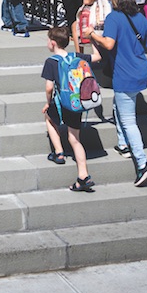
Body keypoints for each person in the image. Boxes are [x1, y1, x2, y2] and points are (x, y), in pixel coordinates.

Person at [88, 0, 147, 187]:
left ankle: (142, 163)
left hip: (125, 74)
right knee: (120, 106)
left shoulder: (114, 18)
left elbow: (109, 44)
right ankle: (122, 144)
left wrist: (92, 34)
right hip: (140, 72)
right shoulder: (140, 17)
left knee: (129, 120)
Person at [41, 24, 95, 193]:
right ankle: (83, 175)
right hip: (76, 101)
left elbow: (49, 87)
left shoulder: (51, 62)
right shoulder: (76, 56)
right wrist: (91, 36)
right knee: (75, 138)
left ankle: (59, 152)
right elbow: (98, 56)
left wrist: (47, 103)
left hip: (61, 102)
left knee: (49, 118)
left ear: (52, 43)